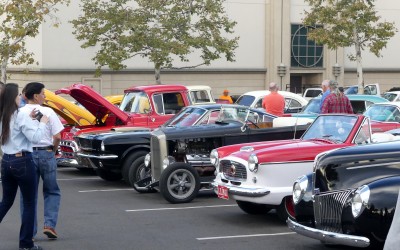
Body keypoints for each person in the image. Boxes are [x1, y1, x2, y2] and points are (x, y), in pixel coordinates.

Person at [0, 83, 49, 250]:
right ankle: (26, 244)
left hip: (6, 161)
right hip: (23, 161)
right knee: (29, 203)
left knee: (6, 201)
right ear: (12, 97)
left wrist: (32, 119)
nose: (20, 97)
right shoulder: (19, 115)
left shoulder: (3, 115)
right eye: (18, 95)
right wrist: (42, 122)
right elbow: (35, 138)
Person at [20, 82, 64, 240]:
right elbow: (58, 136)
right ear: (36, 95)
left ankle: (29, 232)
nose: (45, 96)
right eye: (43, 93)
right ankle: (50, 225)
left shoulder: (20, 112)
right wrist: (53, 149)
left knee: (28, 195)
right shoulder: (48, 111)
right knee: (51, 190)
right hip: (46, 153)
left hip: (27, 155)